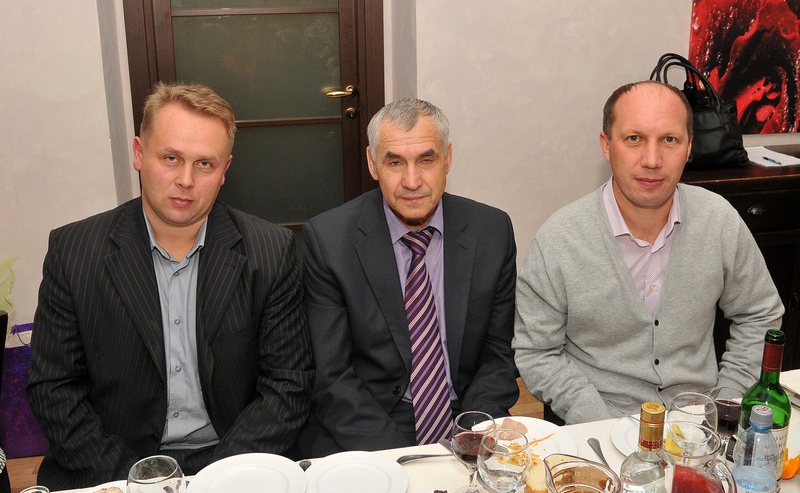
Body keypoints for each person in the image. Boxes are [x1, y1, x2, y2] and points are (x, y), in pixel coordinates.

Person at [27, 82, 314, 489]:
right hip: (114, 465)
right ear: (139, 154)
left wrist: (219, 480)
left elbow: (288, 385)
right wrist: (136, 484)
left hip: (233, 458)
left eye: (205, 164)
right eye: (171, 158)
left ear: (225, 170)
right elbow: (54, 389)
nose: (186, 180)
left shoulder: (270, 250)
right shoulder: (74, 251)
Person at [514, 80, 783, 425]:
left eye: (669, 140)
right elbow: (537, 351)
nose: (652, 160)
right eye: (634, 139)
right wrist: (594, 417)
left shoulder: (718, 220)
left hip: (699, 424)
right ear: (607, 146)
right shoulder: (559, 239)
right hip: (599, 426)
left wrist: (726, 400)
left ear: (689, 147)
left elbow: (760, 313)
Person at [296, 98, 518, 456]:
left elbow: (498, 356)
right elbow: (332, 377)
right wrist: (407, 461)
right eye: (395, 162)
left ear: (448, 158)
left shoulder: (492, 231)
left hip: (465, 411)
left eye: (426, 160)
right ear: (372, 164)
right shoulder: (330, 240)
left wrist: (471, 435)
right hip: (372, 419)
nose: (412, 182)